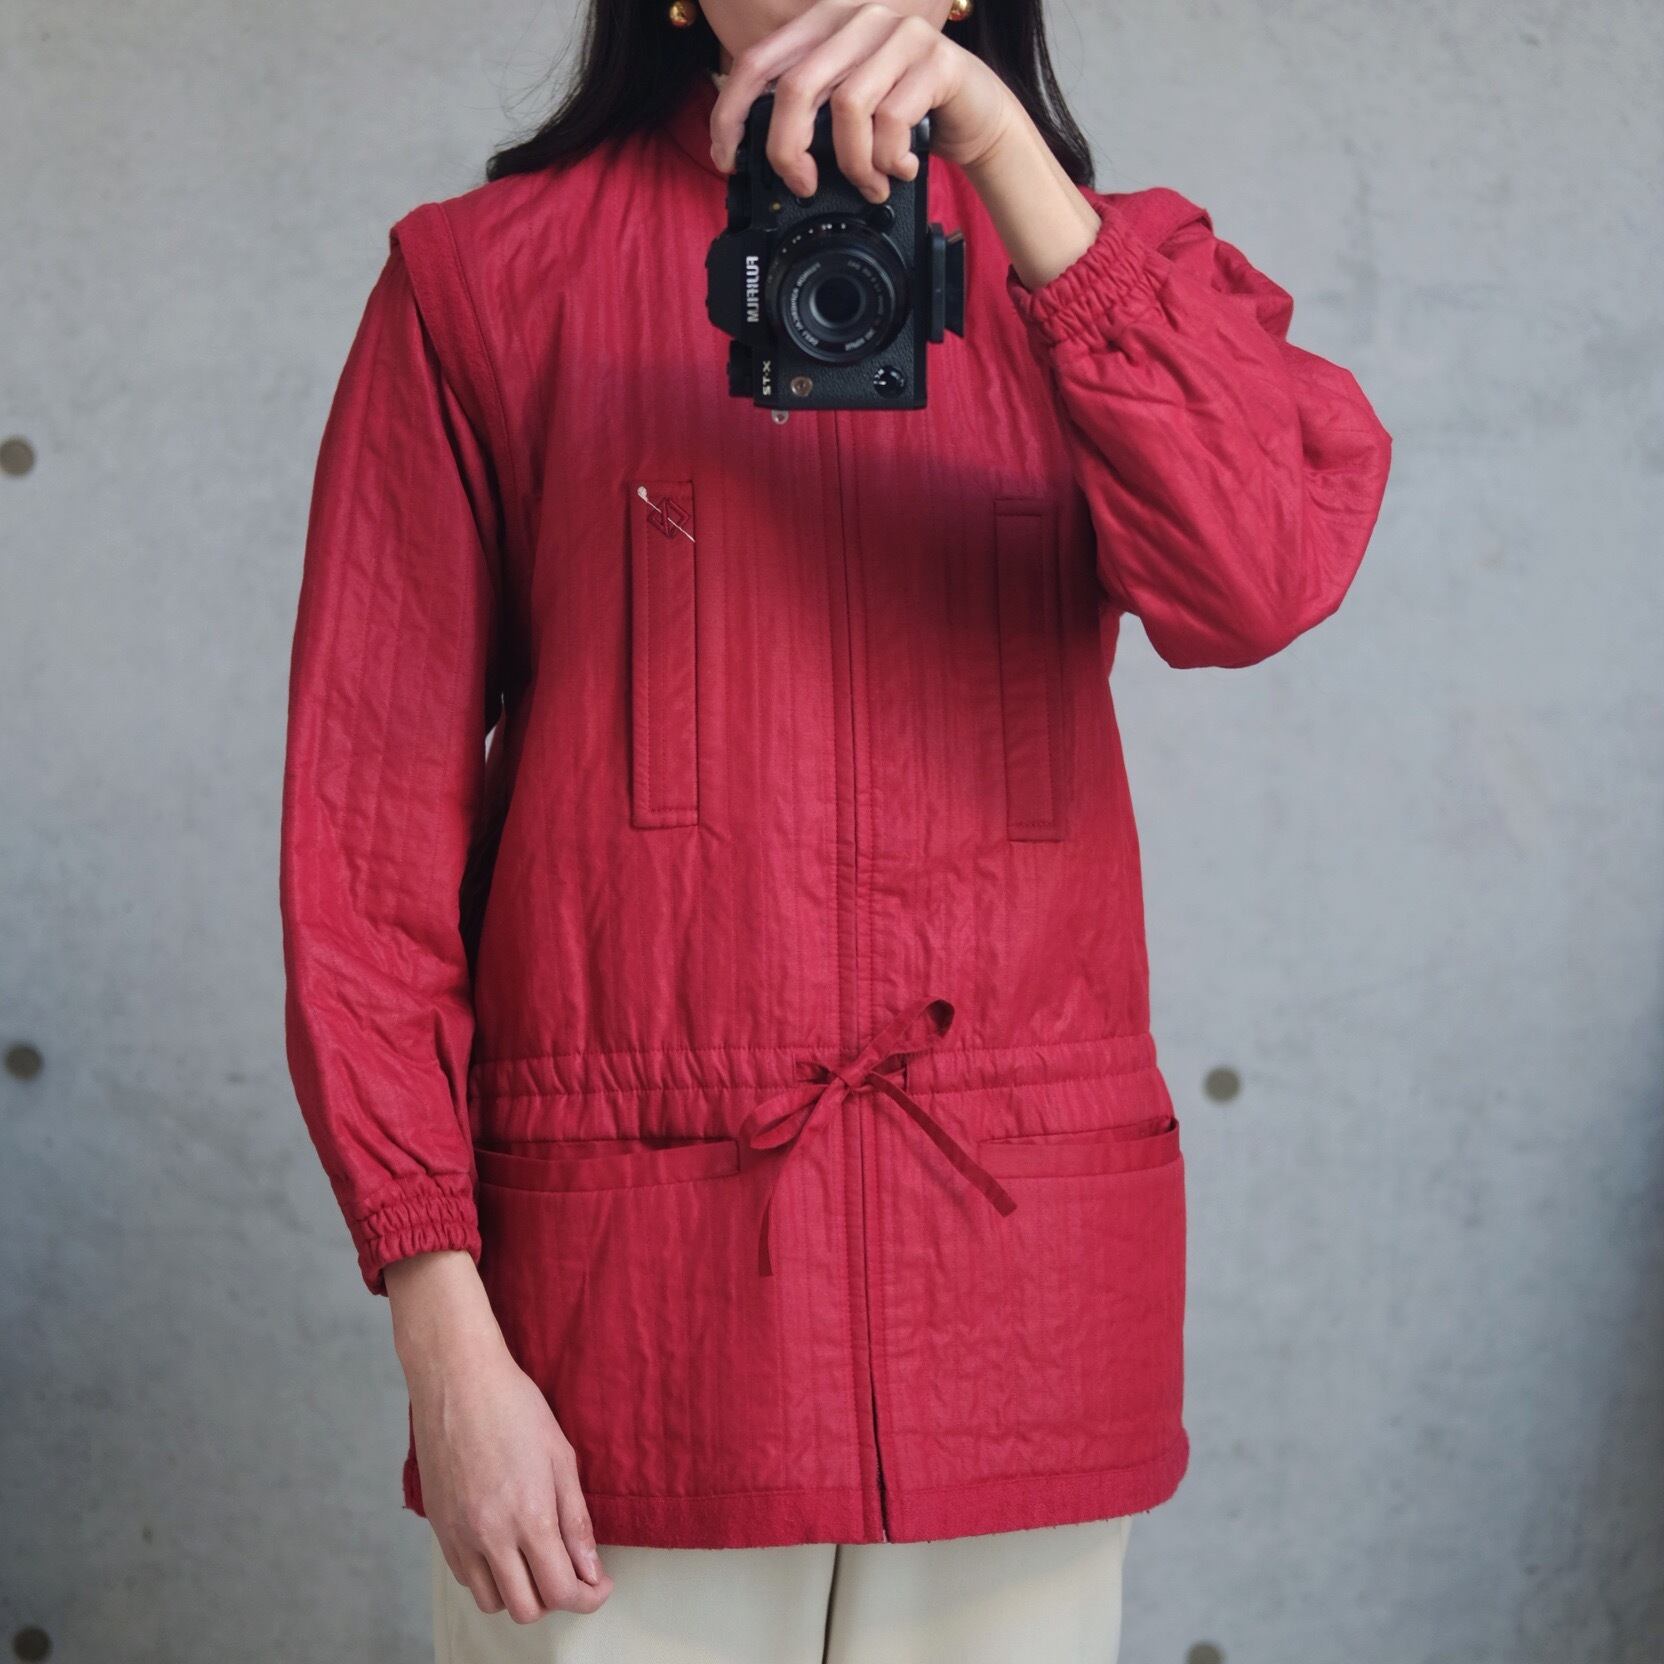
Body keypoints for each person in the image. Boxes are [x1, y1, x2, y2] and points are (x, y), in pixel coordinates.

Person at [279, 1, 1393, 1659]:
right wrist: (445, 1335)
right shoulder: (484, 283)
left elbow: (1262, 577)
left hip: (1016, 1313)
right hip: (625, 1341)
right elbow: (363, 857)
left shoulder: (1101, 272)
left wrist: (999, 153)